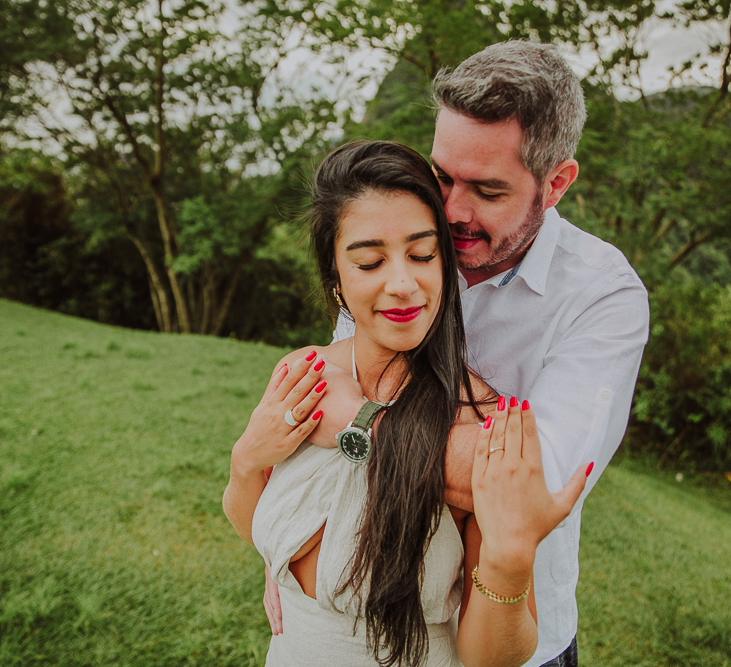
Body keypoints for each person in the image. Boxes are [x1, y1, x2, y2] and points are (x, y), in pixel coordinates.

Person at [268, 42, 650, 667]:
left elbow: (534, 489)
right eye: (443, 175)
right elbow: (340, 380)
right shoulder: (406, 240)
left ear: (556, 183)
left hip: (503, 633)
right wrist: (288, 541)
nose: (450, 210)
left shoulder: (602, 295)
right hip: (358, 604)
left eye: (488, 190)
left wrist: (344, 419)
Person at [223, 140, 590, 667]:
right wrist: (245, 462)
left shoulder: (481, 424)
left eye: (422, 255)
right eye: (370, 262)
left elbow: (491, 657)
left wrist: (509, 566)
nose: (402, 284)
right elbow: (251, 521)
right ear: (336, 280)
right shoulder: (304, 373)